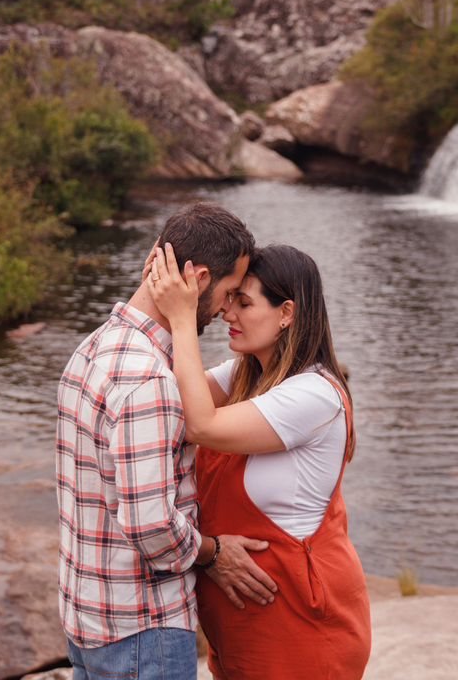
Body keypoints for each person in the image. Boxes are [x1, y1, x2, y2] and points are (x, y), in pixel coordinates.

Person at [55, 202, 279, 680]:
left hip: (88, 617)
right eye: (228, 292)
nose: (225, 310)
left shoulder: (91, 348)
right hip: (142, 627)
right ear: (196, 278)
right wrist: (213, 552)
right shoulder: (149, 379)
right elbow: (151, 524)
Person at [148, 241, 372, 680]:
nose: (227, 313)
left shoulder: (315, 393)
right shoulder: (247, 372)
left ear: (286, 313)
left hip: (299, 627)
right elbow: (165, 398)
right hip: (241, 629)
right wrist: (155, 297)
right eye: (229, 299)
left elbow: (201, 425)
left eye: (243, 303)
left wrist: (181, 318)